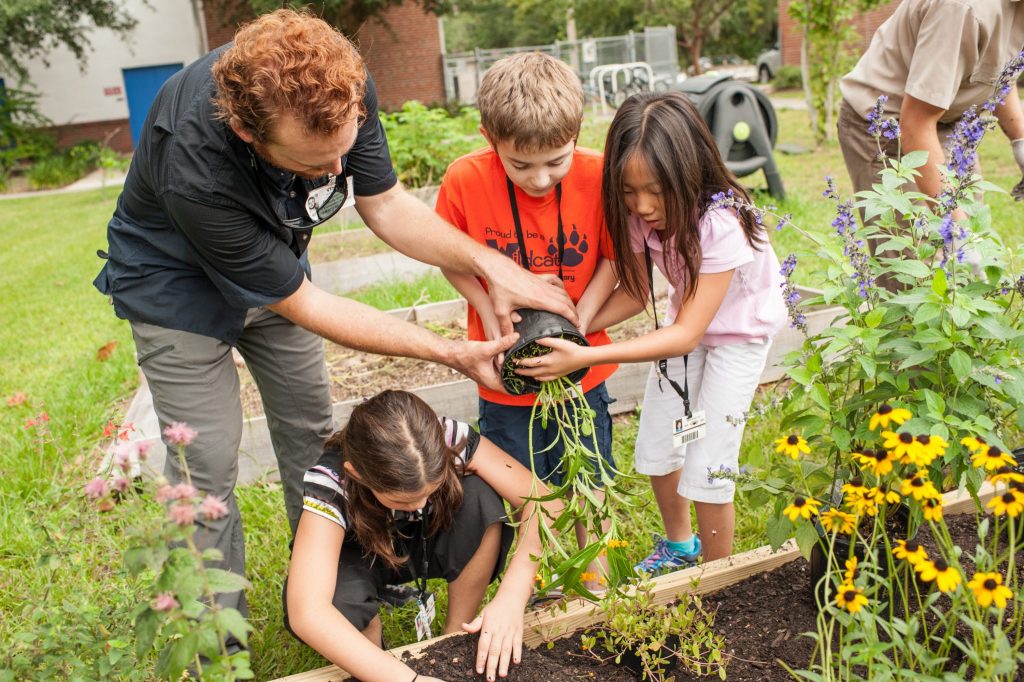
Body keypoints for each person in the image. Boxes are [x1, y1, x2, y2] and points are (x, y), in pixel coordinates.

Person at [91, 9, 575, 621]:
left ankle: (337, 590)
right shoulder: (194, 163)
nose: (335, 173)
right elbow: (306, 303)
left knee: (309, 432)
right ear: (246, 130)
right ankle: (218, 642)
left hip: (273, 255)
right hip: (174, 285)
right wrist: (451, 351)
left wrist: (491, 265)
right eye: (316, 165)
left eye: (341, 152)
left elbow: (387, 204)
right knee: (206, 465)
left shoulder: (340, 86)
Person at [516, 91, 787, 570]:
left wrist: (583, 357)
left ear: (690, 171)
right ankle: (682, 548)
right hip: (689, 325)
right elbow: (636, 293)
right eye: (628, 191)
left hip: (736, 338)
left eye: (656, 190)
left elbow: (684, 335)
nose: (641, 206)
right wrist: (573, 325)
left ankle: (716, 579)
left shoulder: (722, 222)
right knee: (658, 447)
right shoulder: (642, 217)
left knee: (708, 465)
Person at [435, 52, 618, 588]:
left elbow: (612, 258)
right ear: (489, 136)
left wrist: (579, 323)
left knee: (592, 478)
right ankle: (537, 587)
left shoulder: (598, 173)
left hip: (584, 373)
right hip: (503, 379)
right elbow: (450, 256)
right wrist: (491, 302)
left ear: (578, 132)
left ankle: (596, 586)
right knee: (518, 486)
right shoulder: (465, 179)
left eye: (556, 162)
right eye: (520, 165)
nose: (540, 179)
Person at [284, 390, 556, 682]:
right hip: (359, 555)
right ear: (358, 475)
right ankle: (372, 660)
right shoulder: (332, 480)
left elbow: (545, 504)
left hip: (426, 539)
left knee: (480, 499)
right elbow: (307, 612)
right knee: (341, 602)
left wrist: (512, 598)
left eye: (431, 491)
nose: (420, 506)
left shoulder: (449, 438)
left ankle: (453, 638)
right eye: (403, 501)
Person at [838, 0, 1024, 222]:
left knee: (974, 226)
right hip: (886, 128)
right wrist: (956, 229)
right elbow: (916, 123)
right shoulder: (961, 9)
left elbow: (999, 71)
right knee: (916, 246)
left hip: (950, 125)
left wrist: (1020, 141)